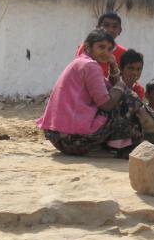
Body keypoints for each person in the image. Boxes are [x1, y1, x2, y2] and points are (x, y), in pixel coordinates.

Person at [38, 28, 142, 157]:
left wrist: (114, 67)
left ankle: (115, 144)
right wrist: (122, 84)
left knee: (122, 94)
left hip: (58, 136)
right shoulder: (90, 66)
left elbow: (110, 88)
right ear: (88, 47)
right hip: (72, 139)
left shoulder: (81, 62)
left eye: (109, 49)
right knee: (131, 98)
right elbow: (107, 104)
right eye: (101, 47)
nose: (106, 52)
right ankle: (120, 146)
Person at [76, 12, 126, 77]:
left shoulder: (123, 53)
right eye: (106, 25)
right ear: (98, 28)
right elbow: (78, 70)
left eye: (114, 26)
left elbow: (123, 78)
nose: (110, 29)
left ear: (120, 31)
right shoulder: (87, 47)